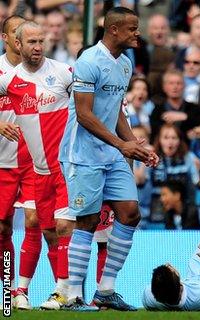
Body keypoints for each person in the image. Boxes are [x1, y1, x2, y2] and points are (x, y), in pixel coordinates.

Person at [59, 7, 159, 311]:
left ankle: (106, 290)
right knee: (87, 220)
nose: (136, 33)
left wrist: (134, 145)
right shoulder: (88, 61)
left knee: (130, 212)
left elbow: (115, 109)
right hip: (83, 153)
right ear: (113, 30)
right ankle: (72, 296)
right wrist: (122, 145)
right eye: (131, 28)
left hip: (112, 152)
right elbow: (85, 115)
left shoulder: (126, 64)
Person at [0, 20, 77, 311]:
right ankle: (12, 291)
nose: (38, 47)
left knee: (59, 225)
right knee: (36, 230)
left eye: (41, 41)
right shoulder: (9, 79)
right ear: (16, 43)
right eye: (31, 42)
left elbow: (87, 104)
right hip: (24, 167)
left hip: (61, 166)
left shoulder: (63, 72)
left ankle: (64, 290)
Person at [0, 14, 41, 310]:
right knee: (2, 229)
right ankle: (6, 288)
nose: (19, 38)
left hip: (33, 162)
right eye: (15, 32)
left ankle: (21, 291)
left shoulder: (42, 71)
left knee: (34, 220)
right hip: (2, 162)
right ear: (6, 38)